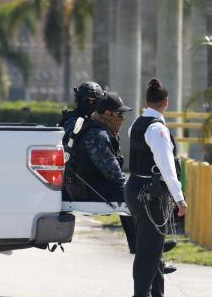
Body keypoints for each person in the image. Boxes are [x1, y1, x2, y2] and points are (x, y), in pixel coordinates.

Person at [64, 91, 178, 275]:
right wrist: (131, 188)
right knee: (136, 196)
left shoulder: (99, 129)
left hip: (92, 186)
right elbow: (112, 171)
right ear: (108, 114)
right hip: (88, 190)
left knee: (130, 195)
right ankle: (151, 247)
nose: (122, 118)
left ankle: (147, 249)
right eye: (119, 114)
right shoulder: (97, 135)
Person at [125, 78, 187, 297]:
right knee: (148, 251)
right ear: (167, 102)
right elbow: (167, 167)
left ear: (147, 101)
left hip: (135, 188)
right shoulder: (158, 129)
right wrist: (179, 198)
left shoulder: (136, 124)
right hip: (150, 193)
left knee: (152, 248)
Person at [59, 81, 106, 148]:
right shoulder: (71, 120)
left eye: (95, 102)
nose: (90, 104)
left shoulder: (99, 120)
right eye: (86, 100)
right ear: (79, 100)